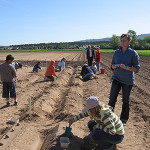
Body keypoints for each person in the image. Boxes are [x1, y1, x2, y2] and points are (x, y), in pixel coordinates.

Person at [108, 34, 140, 126]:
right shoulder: (116, 52)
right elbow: (112, 66)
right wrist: (113, 66)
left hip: (127, 81)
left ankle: (123, 119)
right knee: (112, 99)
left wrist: (126, 67)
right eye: (121, 40)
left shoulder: (133, 53)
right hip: (116, 78)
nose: (122, 42)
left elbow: (137, 69)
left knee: (125, 101)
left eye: (124, 40)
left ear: (129, 41)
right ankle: (109, 117)